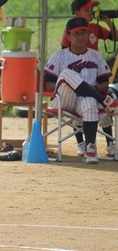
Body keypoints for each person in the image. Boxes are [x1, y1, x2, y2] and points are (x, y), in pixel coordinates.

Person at [45, 17, 118, 164]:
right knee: (66, 73)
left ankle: (90, 149)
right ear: (68, 36)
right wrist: (73, 84)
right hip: (64, 100)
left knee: (89, 101)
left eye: (84, 33)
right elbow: (47, 86)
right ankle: (103, 100)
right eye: (76, 33)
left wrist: (97, 88)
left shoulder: (96, 55)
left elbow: (105, 82)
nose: (81, 37)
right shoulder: (59, 56)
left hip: (85, 99)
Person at [61, 0, 118, 157]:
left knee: (103, 107)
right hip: (78, 73)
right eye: (87, 9)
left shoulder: (95, 27)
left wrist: (108, 22)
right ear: (77, 12)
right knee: (79, 108)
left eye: (92, 9)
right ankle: (81, 142)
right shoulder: (71, 29)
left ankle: (110, 143)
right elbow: (65, 54)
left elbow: (116, 37)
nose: (91, 12)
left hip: (95, 72)